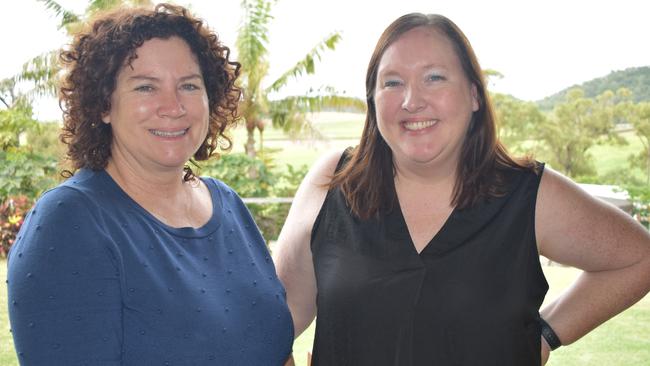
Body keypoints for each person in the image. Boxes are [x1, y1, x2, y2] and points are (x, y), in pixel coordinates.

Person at [273, 13, 650, 366]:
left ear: (473, 94)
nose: (411, 101)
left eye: (434, 77)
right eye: (392, 82)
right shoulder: (333, 181)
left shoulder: (528, 194)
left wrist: (548, 333)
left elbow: (639, 258)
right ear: (372, 100)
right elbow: (280, 312)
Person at [7, 4, 294, 365]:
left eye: (189, 85)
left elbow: (276, 348)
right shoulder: (69, 222)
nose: (173, 106)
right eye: (145, 87)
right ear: (103, 105)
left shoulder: (228, 204)